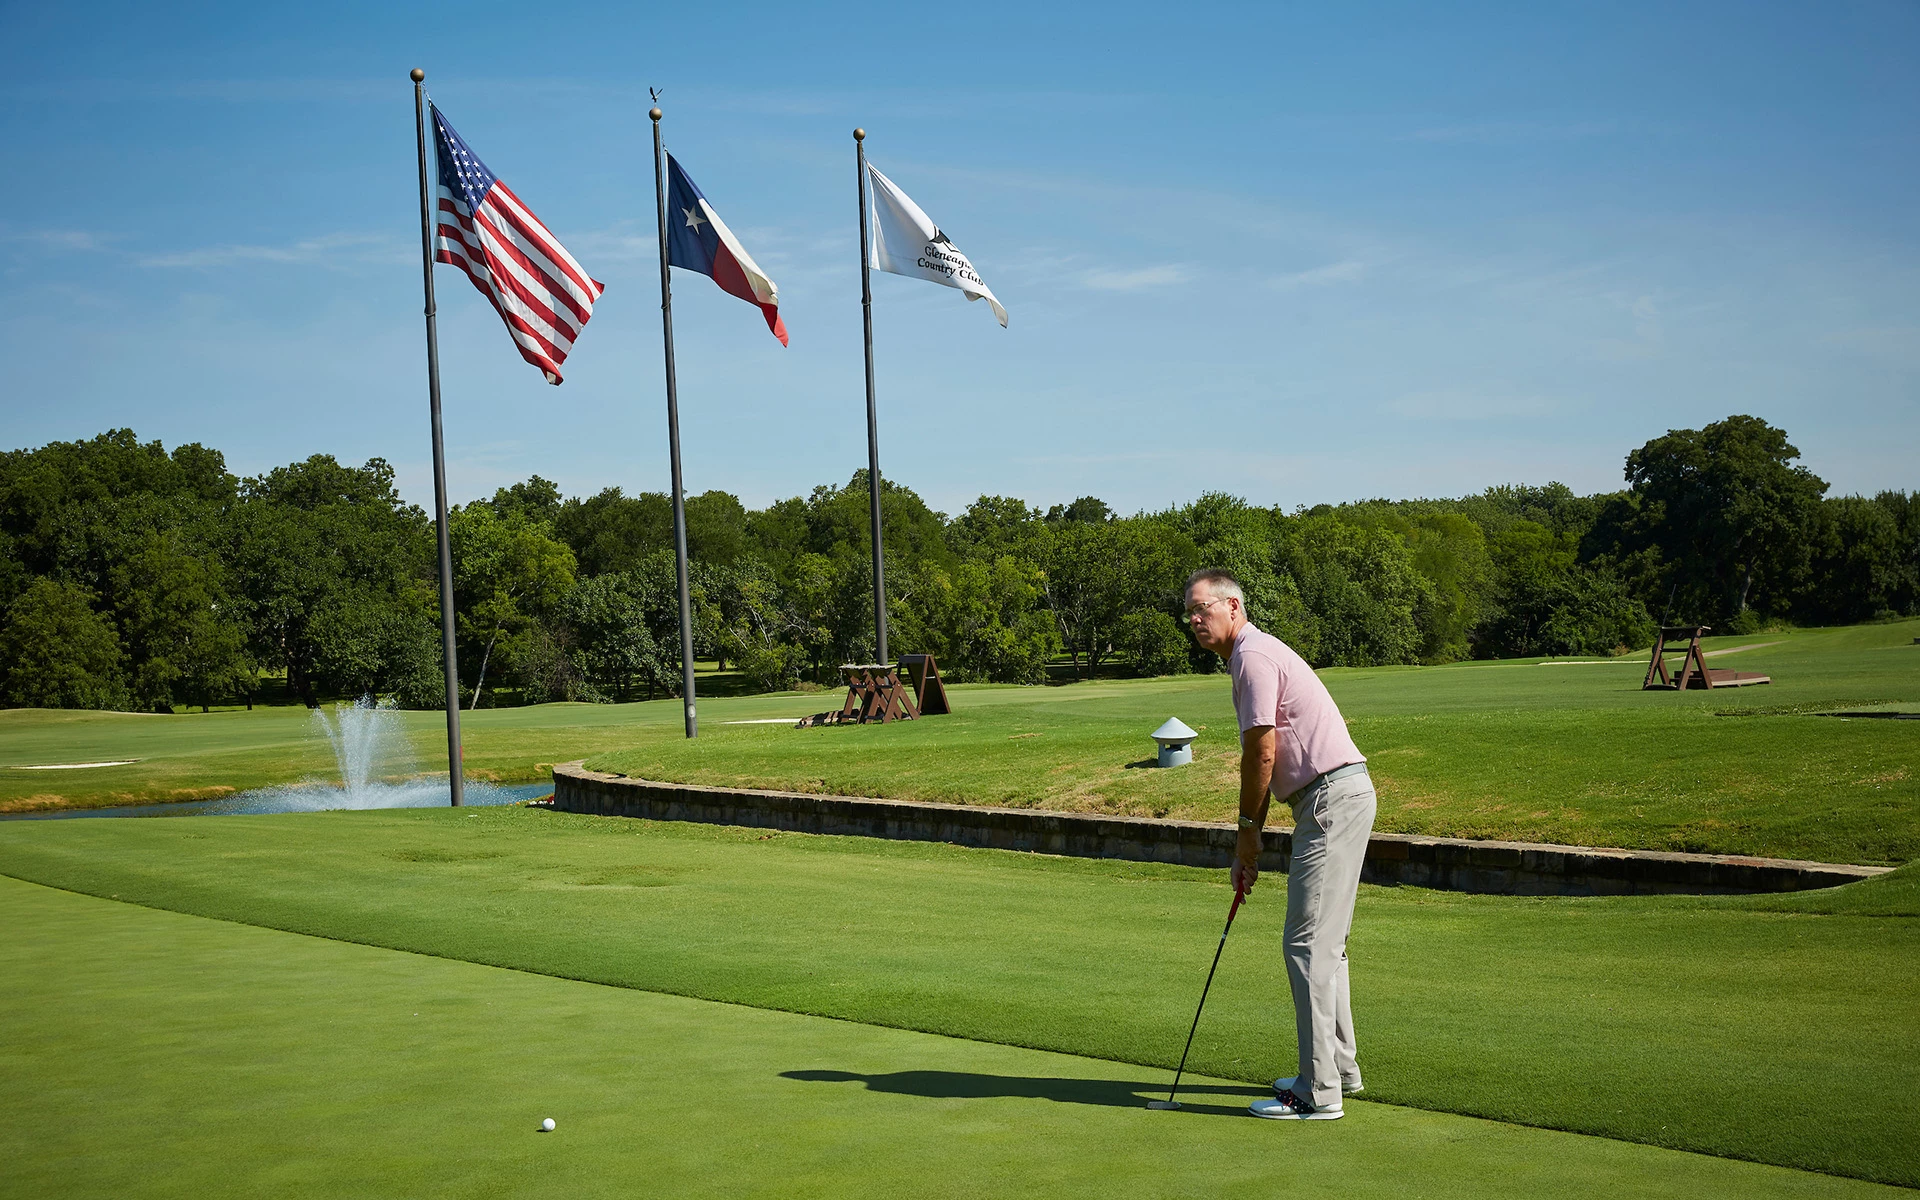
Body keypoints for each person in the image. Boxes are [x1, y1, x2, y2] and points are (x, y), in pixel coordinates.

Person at [1182, 568, 1376, 1121]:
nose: (1196, 619)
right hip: (1334, 797)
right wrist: (1253, 836)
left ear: (1234, 607)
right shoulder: (1252, 654)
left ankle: (1319, 1092)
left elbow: (1261, 753)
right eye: (1189, 612)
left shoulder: (1251, 657)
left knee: (1306, 946)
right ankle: (1338, 1069)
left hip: (1329, 799)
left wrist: (1247, 837)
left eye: (1204, 608)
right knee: (1325, 945)